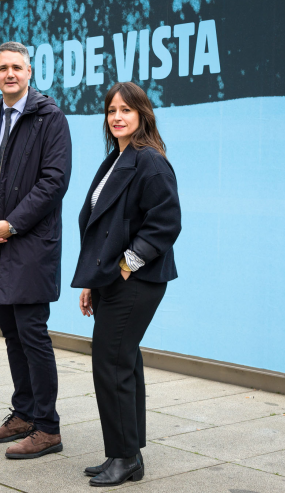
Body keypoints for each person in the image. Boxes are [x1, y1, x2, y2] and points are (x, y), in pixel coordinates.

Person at [0, 41, 72, 458]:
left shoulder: (50, 117)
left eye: (17, 67)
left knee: (33, 335)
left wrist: (11, 224)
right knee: (12, 335)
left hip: (29, 245)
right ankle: (24, 413)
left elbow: (53, 182)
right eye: (3, 68)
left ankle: (48, 428)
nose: (10, 74)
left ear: (30, 72)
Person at [71, 82, 181, 486]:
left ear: (142, 114)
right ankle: (128, 453)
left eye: (126, 110)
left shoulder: (149, 161)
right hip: (113, 280)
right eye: (111, 110)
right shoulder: (115, 160)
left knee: (111, 361)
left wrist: (125, 265)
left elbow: (166, 223)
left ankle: (124, 457)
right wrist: (92, 282)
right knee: (124, 360)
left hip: (138, 279)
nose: (117, 116)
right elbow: (100, 228)